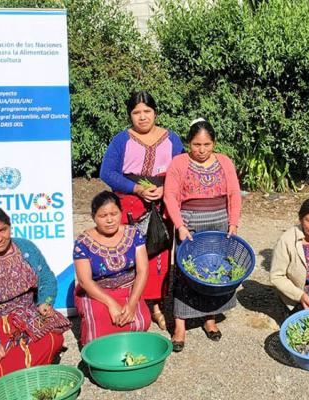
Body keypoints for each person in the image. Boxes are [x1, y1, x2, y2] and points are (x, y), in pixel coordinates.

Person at [100, 90, 184, 331]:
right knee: (133, 253)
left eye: (147, 111)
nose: (142, 117)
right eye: (136, 112)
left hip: (162, 204)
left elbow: (180, 169)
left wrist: (166, 187)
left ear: (155, 112)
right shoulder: (121, 140)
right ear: (130, 115)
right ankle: (133, 303)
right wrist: (135, 188)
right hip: (130, 206)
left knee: (160, 254)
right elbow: (108, 172)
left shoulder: (171, 139)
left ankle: (157, 305)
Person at [0, 207, 70, 386]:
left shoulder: (26, 247)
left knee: (52, 339)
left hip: (29, 314)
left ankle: (30, 377)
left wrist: (44, 302)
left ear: (10, 227)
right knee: (1, 364)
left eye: (3, 230)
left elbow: (47, 278)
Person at [163, 118, 243, 352]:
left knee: (214, 271)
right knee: (186, 272)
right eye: (197, 145)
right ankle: (180, 324)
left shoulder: (225, 162)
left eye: (207, 145)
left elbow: (235, 194)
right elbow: (170, 196)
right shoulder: (179, 163)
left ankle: (210, 318)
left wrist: (234, 224)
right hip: (190, 225)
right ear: (189, 143)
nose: (201, 150)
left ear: (214, 143)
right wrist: (180, 225)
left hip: (219, 223)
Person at [74, 191, 151, 345]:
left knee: (141, 322)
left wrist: (132, 303)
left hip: (128, 289)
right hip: (97, 293)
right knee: (101, 325)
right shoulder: (83, 242)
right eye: (103, 216)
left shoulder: (134, 233)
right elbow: (85, 281)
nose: (109, 220)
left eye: (114, 214)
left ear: (121, 213)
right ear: (93, 217)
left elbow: (143, 270)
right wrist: (110, 303)